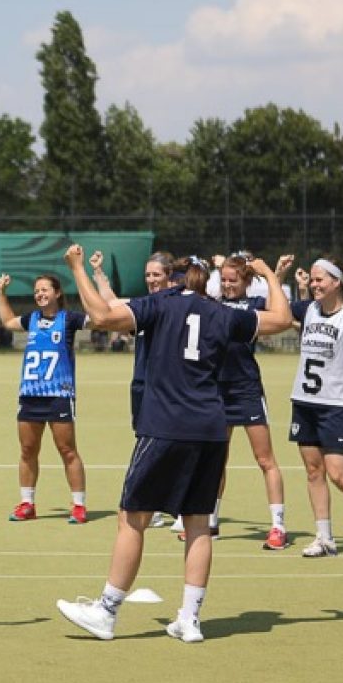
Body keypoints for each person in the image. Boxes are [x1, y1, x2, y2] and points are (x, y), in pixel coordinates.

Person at [56, 249, 291, 643]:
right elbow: (282, 319)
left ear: (175, 279)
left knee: (133, 518)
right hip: (211, 430)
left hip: (165, 427)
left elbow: (100, 316)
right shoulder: (223, 313)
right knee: (199, 524)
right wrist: (269, 275)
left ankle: (107, 611)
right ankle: (190, 619)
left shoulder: (160, 304)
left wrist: (78, 268)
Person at [208, 251, 294, 549]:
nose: (228, 285)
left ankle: (278, 526)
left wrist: (272, 274)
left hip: (246, 389)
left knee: (264, 458)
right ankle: (211, 521)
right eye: (224, 280)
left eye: (233, 280)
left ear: (245, 281)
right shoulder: (213, 305)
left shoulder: (255, 306)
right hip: (217, 391)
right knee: (216, 458)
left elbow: (280, 311)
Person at [0, 271, 91, 524]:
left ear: (57, 293)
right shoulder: (32, 319)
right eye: (36, 291)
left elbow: (100, 320)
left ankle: (79, 505)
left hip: (59, 394)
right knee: (28, 450)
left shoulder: (69, 319)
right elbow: (7, 322)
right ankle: (27, 503)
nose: (39, 294)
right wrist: (1, 294)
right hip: (30, 394)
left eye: (44, 289)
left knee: (67, 450)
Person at [92, 249, 174, 529]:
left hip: (168, 387)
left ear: (169, 276)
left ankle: (174, 503)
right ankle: (157, 506)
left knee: (168, 445)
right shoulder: (143, 305)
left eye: (157, 274)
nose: (152, 279)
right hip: (142, 384)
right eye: (148, 275)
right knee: (146, 444)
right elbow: (112, 303)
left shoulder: (174, 306)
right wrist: (98, 273)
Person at [287, 256, 343, 558]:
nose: (314, 283)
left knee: (339, 475)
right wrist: (278, 274)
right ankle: (324, 538)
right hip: (305, 402)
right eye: (312, 278)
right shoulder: (308, 309)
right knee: (313, 471)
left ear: (337, 281)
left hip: (336, 405)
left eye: (320, 278)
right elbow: (276, 310)